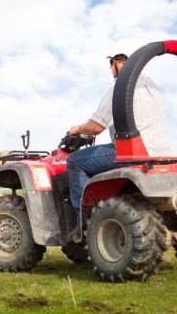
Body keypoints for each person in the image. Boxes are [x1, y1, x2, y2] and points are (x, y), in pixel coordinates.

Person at [66, 53, 170, 220]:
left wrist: (76, 129)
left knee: (74, 162)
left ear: (117, 64)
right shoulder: (152, 87)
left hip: (132, 154)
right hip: (161, 154)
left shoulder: (119, 85)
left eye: (111, 67)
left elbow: (96, 126)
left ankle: (83, 221)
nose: (111, 72)